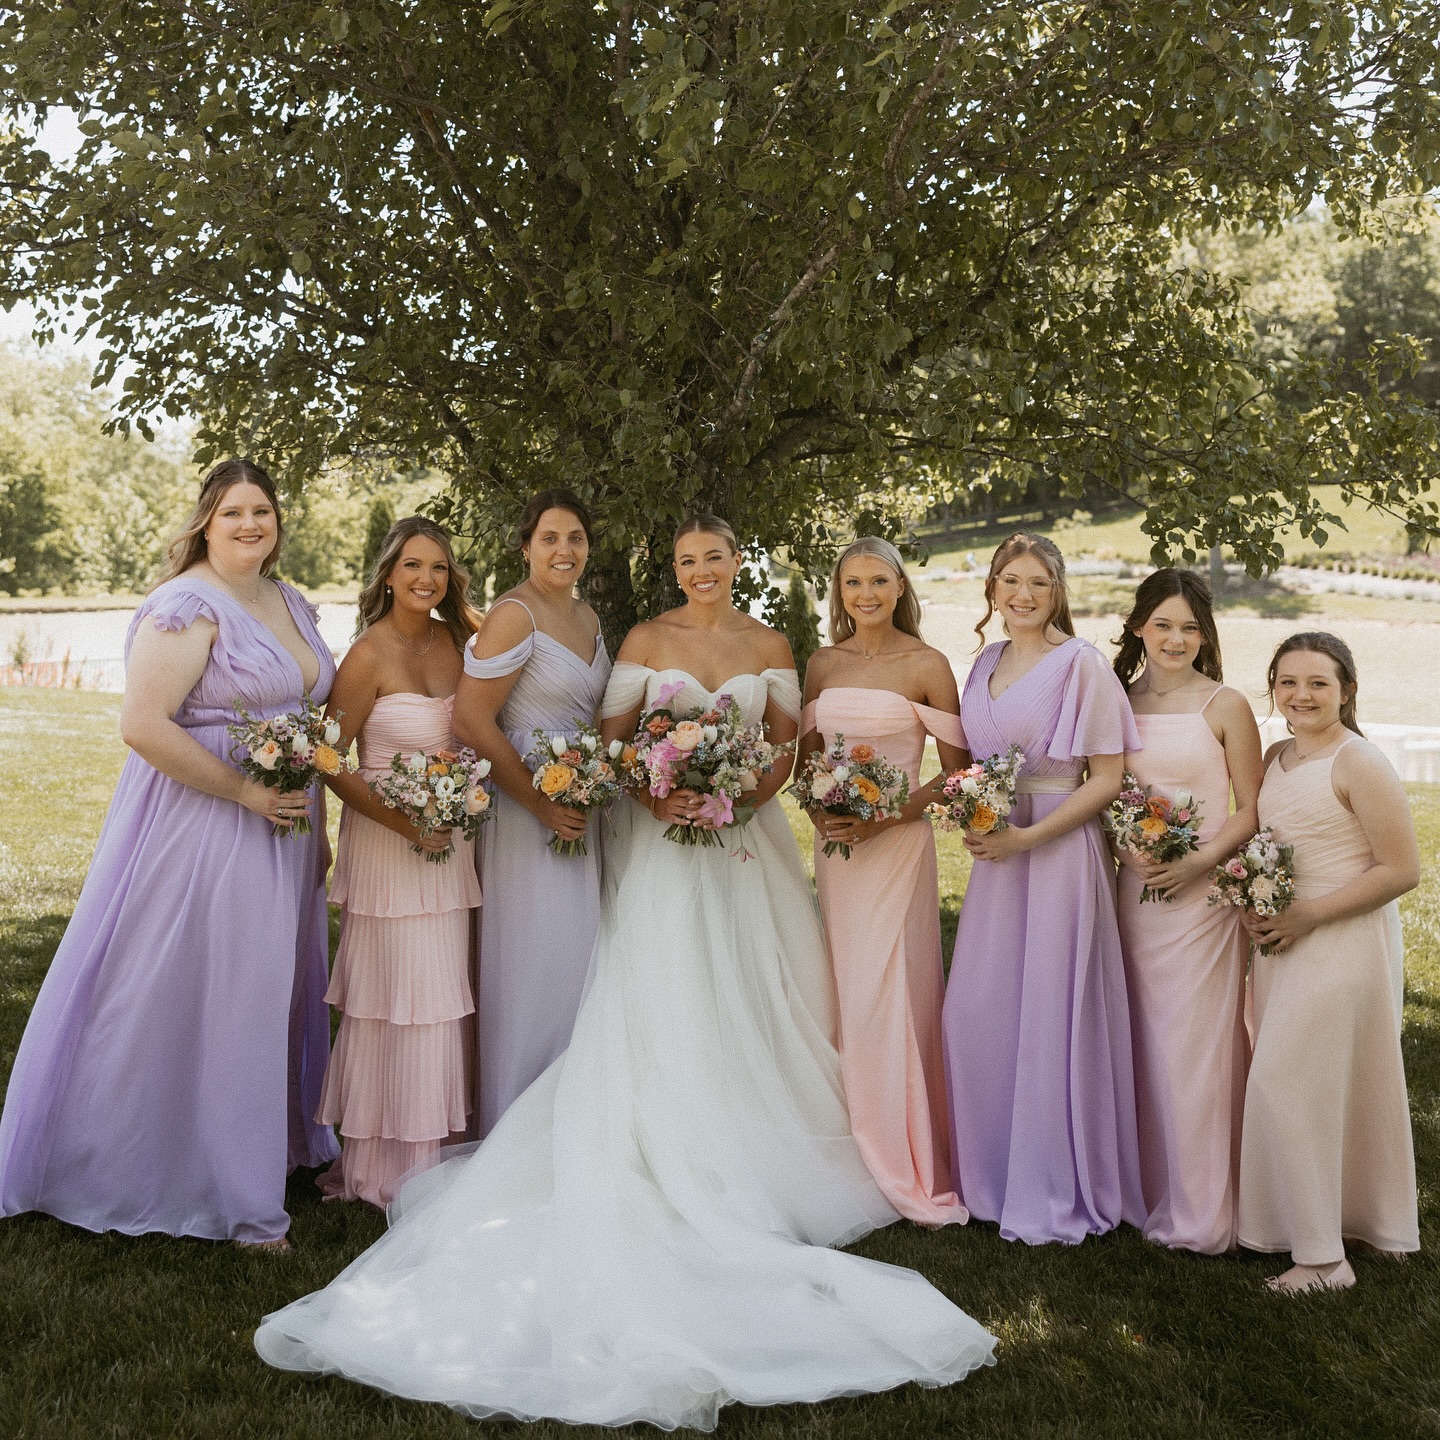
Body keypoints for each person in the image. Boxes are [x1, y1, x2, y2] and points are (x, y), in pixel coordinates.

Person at [254, 514, 995, 1430]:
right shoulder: (643, 637)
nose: (702, 571)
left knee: (762, 991)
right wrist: (662, 788)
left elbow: (789, 750)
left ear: (736, 562)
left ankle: (757, 1133)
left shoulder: (772, 643)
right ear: (674, 568)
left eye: (716, 557)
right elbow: (614, 739)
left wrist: (734, 796)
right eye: (686, 560)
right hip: (656, 838)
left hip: (743, 844)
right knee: (656, 989)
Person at [0, 459, 337, 1247]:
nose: (250, 524)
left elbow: (311, 708)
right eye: (233, 513)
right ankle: (217, 1190)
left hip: (284, 821)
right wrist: (246, 792)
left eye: (262, 510)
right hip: (209, 820)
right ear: (205, 522)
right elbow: (144, 724)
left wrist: (309, 819)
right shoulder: (184, 606)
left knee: (268, 986)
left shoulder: (287, 599)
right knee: (221, 989)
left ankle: (265, 1148)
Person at [940, 532, 1144, 1245]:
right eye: (1009, 581)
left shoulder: (1081, 665)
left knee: (1051, 1013)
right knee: (980, 1009)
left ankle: (1053, 1180)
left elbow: (1109, 779)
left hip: (1054, 853)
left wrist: (1028, 837)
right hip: (998, 857)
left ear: (1058, 592)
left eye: (1038, 584)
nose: (1022, 595)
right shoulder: (984, 663)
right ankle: (991, 1174)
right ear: (992, 589)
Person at [1238, 632, 1420, 1292]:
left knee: (1283, 1080)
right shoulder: (1276, 755)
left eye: (1318, 682)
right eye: (1288, 681)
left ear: (1346, 689)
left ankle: (1322, 1259)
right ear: (1274, 689)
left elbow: (1403, 869)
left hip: (1339, 937)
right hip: (1282, 940)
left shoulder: (1359, 761)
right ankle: (1370, 1220)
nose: (1302, 695)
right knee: (1331, 1086)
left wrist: (1310, 915)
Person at [798, 536, 968, 1226]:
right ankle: (849, 1140)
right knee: (844, 986)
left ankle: (905, 1151)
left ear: (900, 588)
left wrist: (887, 815)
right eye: (852, 583)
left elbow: (958, 771)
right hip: (839, 849)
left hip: (898, 845)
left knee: (892, 989)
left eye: (878, 582)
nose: (864, 595)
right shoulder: (821, 663)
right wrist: (823, 810)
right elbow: (807, 762)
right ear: (838, 591)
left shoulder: (927, 664)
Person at [314, 517, 483, 1208]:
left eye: (438, 568)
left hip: (450, 842)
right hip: (389, 844)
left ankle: (440, 1149)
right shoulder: (367, 655)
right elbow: (326, 756)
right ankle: (384, 1170)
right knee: (395, 1000)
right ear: (388, 573)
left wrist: (451, 809)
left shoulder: (460, 640)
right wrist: (404, 821)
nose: (425, 579)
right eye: (412, 566)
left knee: (443, 999)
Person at [453, 489, 611, 1136]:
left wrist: (590, 783)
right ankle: (519, 1119)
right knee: (536, 958)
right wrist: (542, 803)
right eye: (550, 537)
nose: (563, 549)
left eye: (575, 537)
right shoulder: (513, 615)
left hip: (577, 806)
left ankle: (575, 1113)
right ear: (525, 546)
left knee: (579, 955)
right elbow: (470, 717)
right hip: (525, 813)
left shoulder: (589, 617)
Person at [1112, 568, 1261, 1253]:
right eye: (1164, 624)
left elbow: (1252, 807)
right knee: (1137, 1041)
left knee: (1195, 1050)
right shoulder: (1111, 697)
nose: (1176, 639)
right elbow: (1102, 788)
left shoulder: (1225, 704)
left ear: (1206, 635)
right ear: (1140, 625)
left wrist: (1199, 861)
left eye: (1190, 627)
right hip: (1133, 894)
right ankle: (1141, 1191)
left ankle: (1201, 1207)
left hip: (1203, 901)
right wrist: (1128, 844)